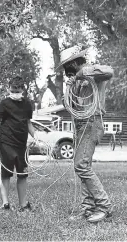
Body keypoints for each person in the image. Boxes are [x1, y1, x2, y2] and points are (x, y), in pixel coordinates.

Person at [56, 46, 113, 223]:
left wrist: (82, 73)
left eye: (66, 66)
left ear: (74, 63)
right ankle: (88, 209)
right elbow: (71, 106)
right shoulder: (76, 82)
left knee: (81, 165)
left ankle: (104, 206)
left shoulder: (93, 73)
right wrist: (70, 90)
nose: (65, 71)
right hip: (81, 125)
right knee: (81, 166)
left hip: (92, 122)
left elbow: (110, 71)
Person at [0, 76, 35, 211]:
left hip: (21, 144)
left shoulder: (27, 104)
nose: (15, 92)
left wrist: (36, 136)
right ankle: (5, 204)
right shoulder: (4, 103)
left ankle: (23, 204)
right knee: (6, 173)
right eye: (13, 89)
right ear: (9, 88)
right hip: (6, 143)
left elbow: (28, 123)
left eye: (17, 90)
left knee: (22, 174)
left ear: (22, 89)